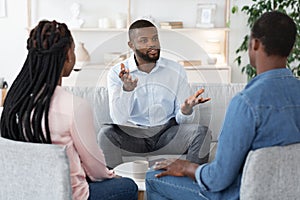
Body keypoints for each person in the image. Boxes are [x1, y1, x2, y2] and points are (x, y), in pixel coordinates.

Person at [145, 11, 300, 200]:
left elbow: (218, 179)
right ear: (290, 49)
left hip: (237, 194)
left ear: (255, 44)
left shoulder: (246, 103)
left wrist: (186, 167)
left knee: (154, 177)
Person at [0, 20, 138, 200]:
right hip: (70, 195)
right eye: (73, 50)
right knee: (128, 187)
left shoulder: (14, 101)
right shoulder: (74, 106)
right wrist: (110, 175)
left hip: (24, 192)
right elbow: (96, 171)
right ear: (67, 56)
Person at [99, 19, 212, 168]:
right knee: (105, 134)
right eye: (144, 40)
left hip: (167, 134)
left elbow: (184, 121)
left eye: (155, 38)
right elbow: (119, 119)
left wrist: (185, 111)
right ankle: (118, 184)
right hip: (134, 134)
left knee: (202, 133)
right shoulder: (117, 73)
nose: (152, 44)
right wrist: (127, 90)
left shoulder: (176, 70)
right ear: (131, 45)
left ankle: (188, 182)